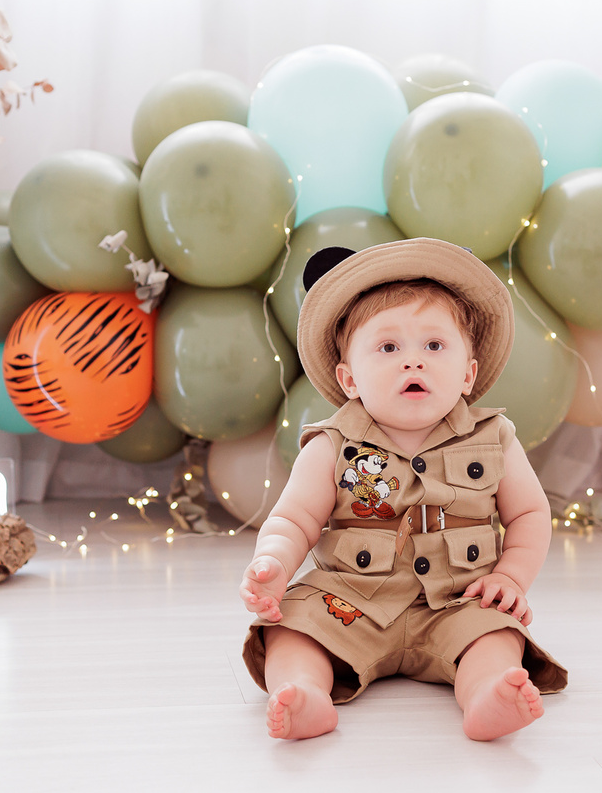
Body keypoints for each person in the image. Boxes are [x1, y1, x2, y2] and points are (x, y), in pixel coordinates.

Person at [240, 238, 567, 741]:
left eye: (434, 346)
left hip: (458, 601)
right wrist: (274, 563)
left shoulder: (494, 436)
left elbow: (528, 515)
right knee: (291, 628)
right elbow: (294, 519)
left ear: (468, 373)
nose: (413, 362)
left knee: (497, 634)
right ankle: (304, 692)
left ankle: (488, 694)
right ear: (350, 379)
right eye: (388, 348)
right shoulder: (331, 444)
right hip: (351, 601)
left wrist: (511, 578)